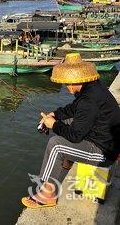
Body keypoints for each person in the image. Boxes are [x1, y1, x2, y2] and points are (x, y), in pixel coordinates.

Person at [21, 53, 120, 209]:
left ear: (74, 80)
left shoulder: (89, 100)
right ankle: (67, 161)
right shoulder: (93, 86)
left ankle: (47, 194)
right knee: (65, 122)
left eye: (67, 83)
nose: (66, 87)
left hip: (103, 152)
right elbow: (74, 109)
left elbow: (74, 136)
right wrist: (54, 115)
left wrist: (53, 125)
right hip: (106, 139)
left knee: (56, 145)